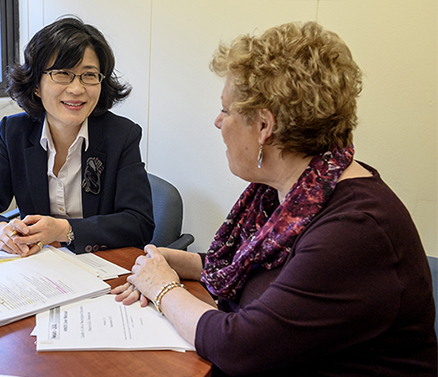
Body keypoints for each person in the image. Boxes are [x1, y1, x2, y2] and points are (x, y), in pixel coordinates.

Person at [113, 21, 437, 376]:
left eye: (227, 110)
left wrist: (164, 290)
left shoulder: (356, 230)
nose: (218, 122)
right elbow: (265, 274)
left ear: (265, 126)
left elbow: (239, 347)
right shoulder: (300, 191)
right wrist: (187, 263)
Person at [0, 17, 154, 257]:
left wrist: (64, 229)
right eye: (62, 74)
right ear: (36, 85)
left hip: (101, 267)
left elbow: (138, 224)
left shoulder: (122, 136)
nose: (76, 89)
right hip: (38, 266)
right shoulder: (15, 132)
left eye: (89, 75)